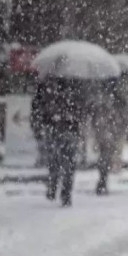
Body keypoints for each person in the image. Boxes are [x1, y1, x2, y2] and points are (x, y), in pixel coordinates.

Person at [34, 77, 87, 207]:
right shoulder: (74, 92)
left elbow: (41, 111)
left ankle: (55, 188)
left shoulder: (49, 91)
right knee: (66, 164)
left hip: (57, 132)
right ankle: (64, 193)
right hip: (66, 132)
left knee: (56, 162)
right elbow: (81, 112)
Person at [90, 78, 127, 195]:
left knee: (104, 155)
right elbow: (122, 118)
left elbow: (93, 116)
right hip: (111, 131)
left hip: (103, 131)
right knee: (106, 155)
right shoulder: (117, 99)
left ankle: (102, 179)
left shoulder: (100, 98)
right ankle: (103, 180)